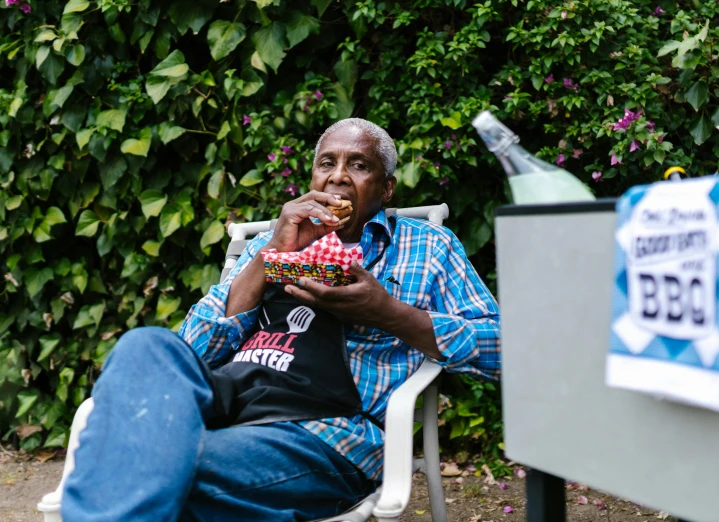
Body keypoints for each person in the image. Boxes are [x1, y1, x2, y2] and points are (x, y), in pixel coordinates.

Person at [61, 118, 501, 521]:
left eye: (359, 165)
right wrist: (271, 256)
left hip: (319, 432)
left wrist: (388, 313)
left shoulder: (427, 247)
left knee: (153, 464)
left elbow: (503, 348)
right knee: (145, 345)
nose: (338, 176)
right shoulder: (278, 240)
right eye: (326, 163)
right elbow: (191, 351)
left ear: (387, 189)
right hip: (231, 401)